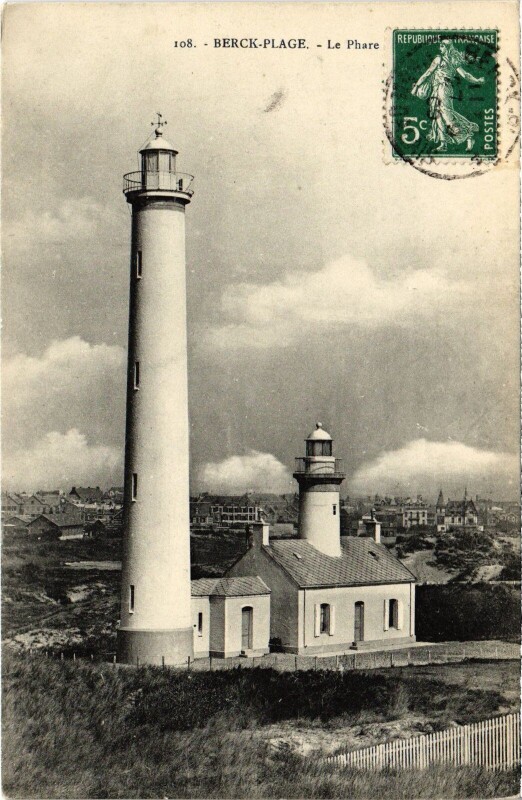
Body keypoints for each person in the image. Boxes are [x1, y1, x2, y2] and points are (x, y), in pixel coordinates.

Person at [411, 39, 485, 152]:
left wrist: (417, 86)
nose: (440, 48)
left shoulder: (445, 60)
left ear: (447, 48)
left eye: (442, 46)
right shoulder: (446, 59)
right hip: (437, 89)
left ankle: (468, 130)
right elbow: (465, 75)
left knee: (446, 114)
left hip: (444, 89)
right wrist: (477, 81)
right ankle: (443, 143)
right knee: (437, 115)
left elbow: (428, 73)